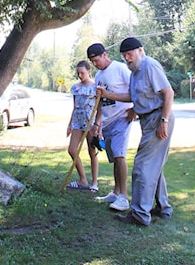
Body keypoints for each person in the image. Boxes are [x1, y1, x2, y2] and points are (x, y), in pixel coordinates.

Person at [96, 37, 174, 226]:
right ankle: (163, 208)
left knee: (141, 166)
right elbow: (131, 95)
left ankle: (139, 214)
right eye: (124, 56)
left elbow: (168, 93)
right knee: (153, 166)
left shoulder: (149, 66)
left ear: (140, 50)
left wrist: (163, 120)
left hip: (158, 118)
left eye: (129, 54)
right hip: (147, 120)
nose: (127, 59)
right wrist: (107, 95)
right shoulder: (135, 72)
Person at [85, 42, 134, 212]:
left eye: (96, 60)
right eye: (92, 62)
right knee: (114, 157)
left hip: (122, 117)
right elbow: (100, 103)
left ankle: (124, 198)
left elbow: (135, 92)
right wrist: (97, 124)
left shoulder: (120, 69)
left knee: (119, 155)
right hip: (107, 121)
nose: (94, 64)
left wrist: (134, 109)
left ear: (105, 55)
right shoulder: (98, 76)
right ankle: (116, 192)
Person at [65, 60, 100, 192]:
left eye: (83, 73)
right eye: (78, 73)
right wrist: (69, 124)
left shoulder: (96, 87)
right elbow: (74, 106)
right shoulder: (76, 88)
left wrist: (98, 125)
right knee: (72, 149)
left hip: (91, 121)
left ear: (89, 71)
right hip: (78, 121)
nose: (80, 75)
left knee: (92, 152)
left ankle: (94, 183)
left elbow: (100, 107)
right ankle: (83, 180)